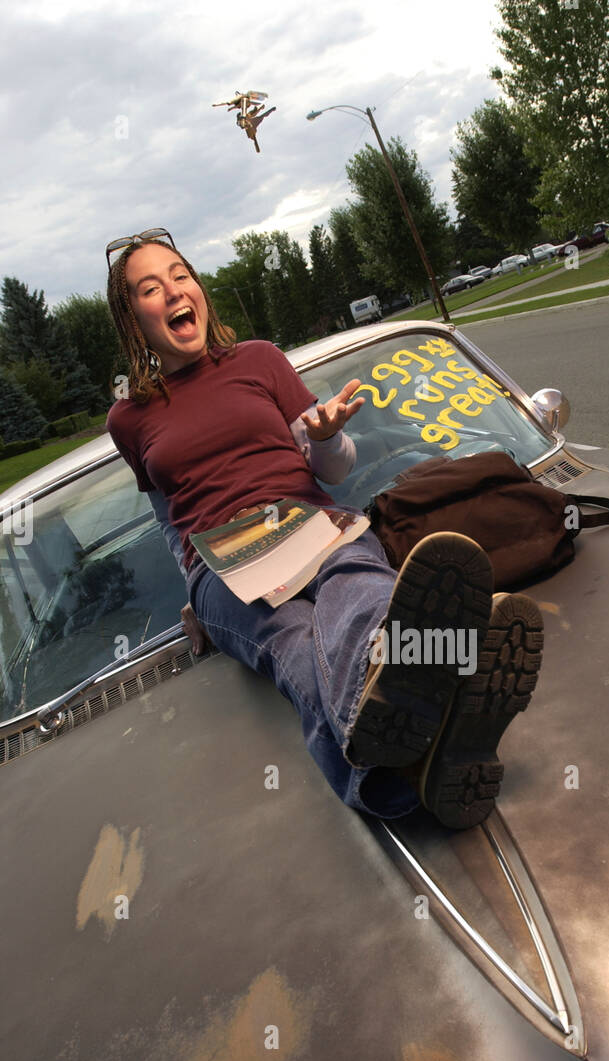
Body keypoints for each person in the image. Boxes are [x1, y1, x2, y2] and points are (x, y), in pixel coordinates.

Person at [105, 229, 543, 829]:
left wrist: (326, 435)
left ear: (198, 289)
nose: (175, 291)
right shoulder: (127, 419)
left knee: (356, 577)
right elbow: (166, 517)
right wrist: (190, 586)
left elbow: (334, 470)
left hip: (307, 519)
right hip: (221, 566)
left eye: (181, 275)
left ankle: (397, 756)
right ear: (133, 318)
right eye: (151, 288)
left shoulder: (258, 360)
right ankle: (420, 713)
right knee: (293, 638)